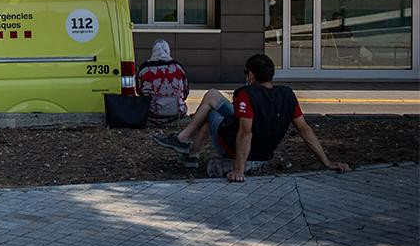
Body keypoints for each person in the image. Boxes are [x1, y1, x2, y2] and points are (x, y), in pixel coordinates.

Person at [153, 54, 350, 181]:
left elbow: (245, 132)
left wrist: (239, 169)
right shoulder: (287, 94)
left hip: (244, 148)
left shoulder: (246, 93)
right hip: (265, 149)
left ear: (252, 75)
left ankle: (186, 145)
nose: (246, 76)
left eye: (246, 73)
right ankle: (187, 147)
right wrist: (326, 162)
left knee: (210, 113)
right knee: (212, 95)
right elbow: (304, 129)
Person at [135, 40, 189, 126]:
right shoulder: (178, 67)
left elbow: (139, 92)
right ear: (168, 51)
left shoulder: (144, 69)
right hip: (177, 113)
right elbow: (185, 93)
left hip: (152, 115)